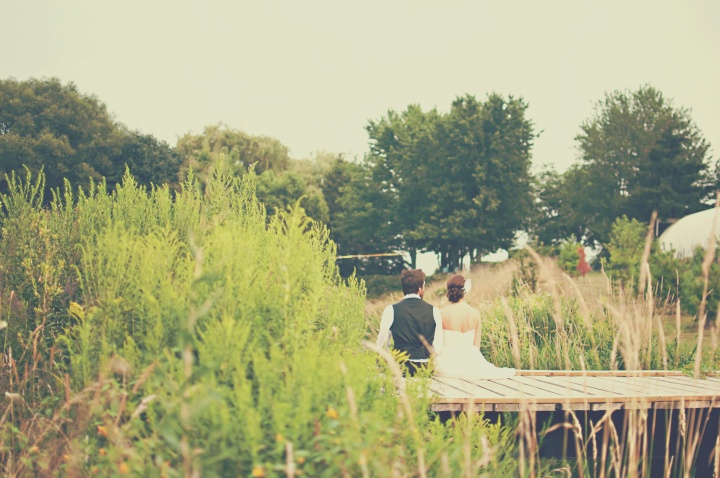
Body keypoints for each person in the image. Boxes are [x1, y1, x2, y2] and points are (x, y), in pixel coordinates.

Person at [435, 274, 515, 380]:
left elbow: (438, 345)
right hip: (471, 359)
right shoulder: (475, 314)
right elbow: (476, 346)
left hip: (448, 361)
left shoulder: (441, 314)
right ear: (464, 291)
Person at [376, 269, 444, 377]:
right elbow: (439, 348)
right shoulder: (434, 311)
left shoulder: (391, 310)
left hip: (400, 368)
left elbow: (382, 345)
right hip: (425, 369)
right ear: (420, 289)